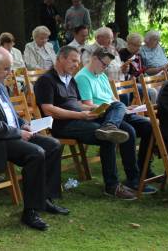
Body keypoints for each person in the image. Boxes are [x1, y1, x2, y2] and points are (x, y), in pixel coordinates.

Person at [0, 47, 67, 230]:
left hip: (7, 134)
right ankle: (30, 211)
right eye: (6, 68)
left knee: (54, 145)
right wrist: (18, 132)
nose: (10, 73)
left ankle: (45, 198)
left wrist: (23, 123)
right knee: (36, 153)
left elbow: (7, 110)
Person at [34, 46, 138, 200]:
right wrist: (80, 115)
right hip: (62, 125)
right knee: (108, 137)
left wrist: (97, 108)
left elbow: (77, 103)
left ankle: (110, 126)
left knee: (117, 108)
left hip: (79, 118)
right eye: (73, 61)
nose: (76, 64)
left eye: (78, 61)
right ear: (60, 58)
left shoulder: (70, 79)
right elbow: (48, 110)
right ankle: (112, 186)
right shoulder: (46, 80)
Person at [75, 48, 155, 193]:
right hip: (101, 114)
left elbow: (112, 99)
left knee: (149, 126)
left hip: (115, 113)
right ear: (94, 58)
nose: (105, 68)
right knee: (128, 130)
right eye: (104, 64)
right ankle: (133, 178)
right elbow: (87, 105)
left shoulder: (102, 75)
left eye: (107, 65)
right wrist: (114, 106)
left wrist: (126, 108)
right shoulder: (82, 77)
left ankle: (144, 170)